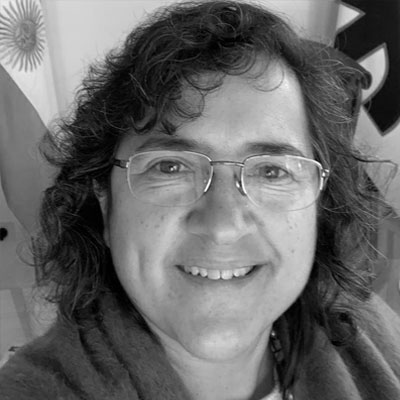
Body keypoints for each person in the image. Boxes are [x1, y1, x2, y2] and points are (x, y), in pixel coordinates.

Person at [1, 1, 400, 399]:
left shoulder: (369, 332)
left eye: (271, 171)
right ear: (105, 205)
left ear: (319, 203)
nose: (223, 226)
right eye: (170, 167)